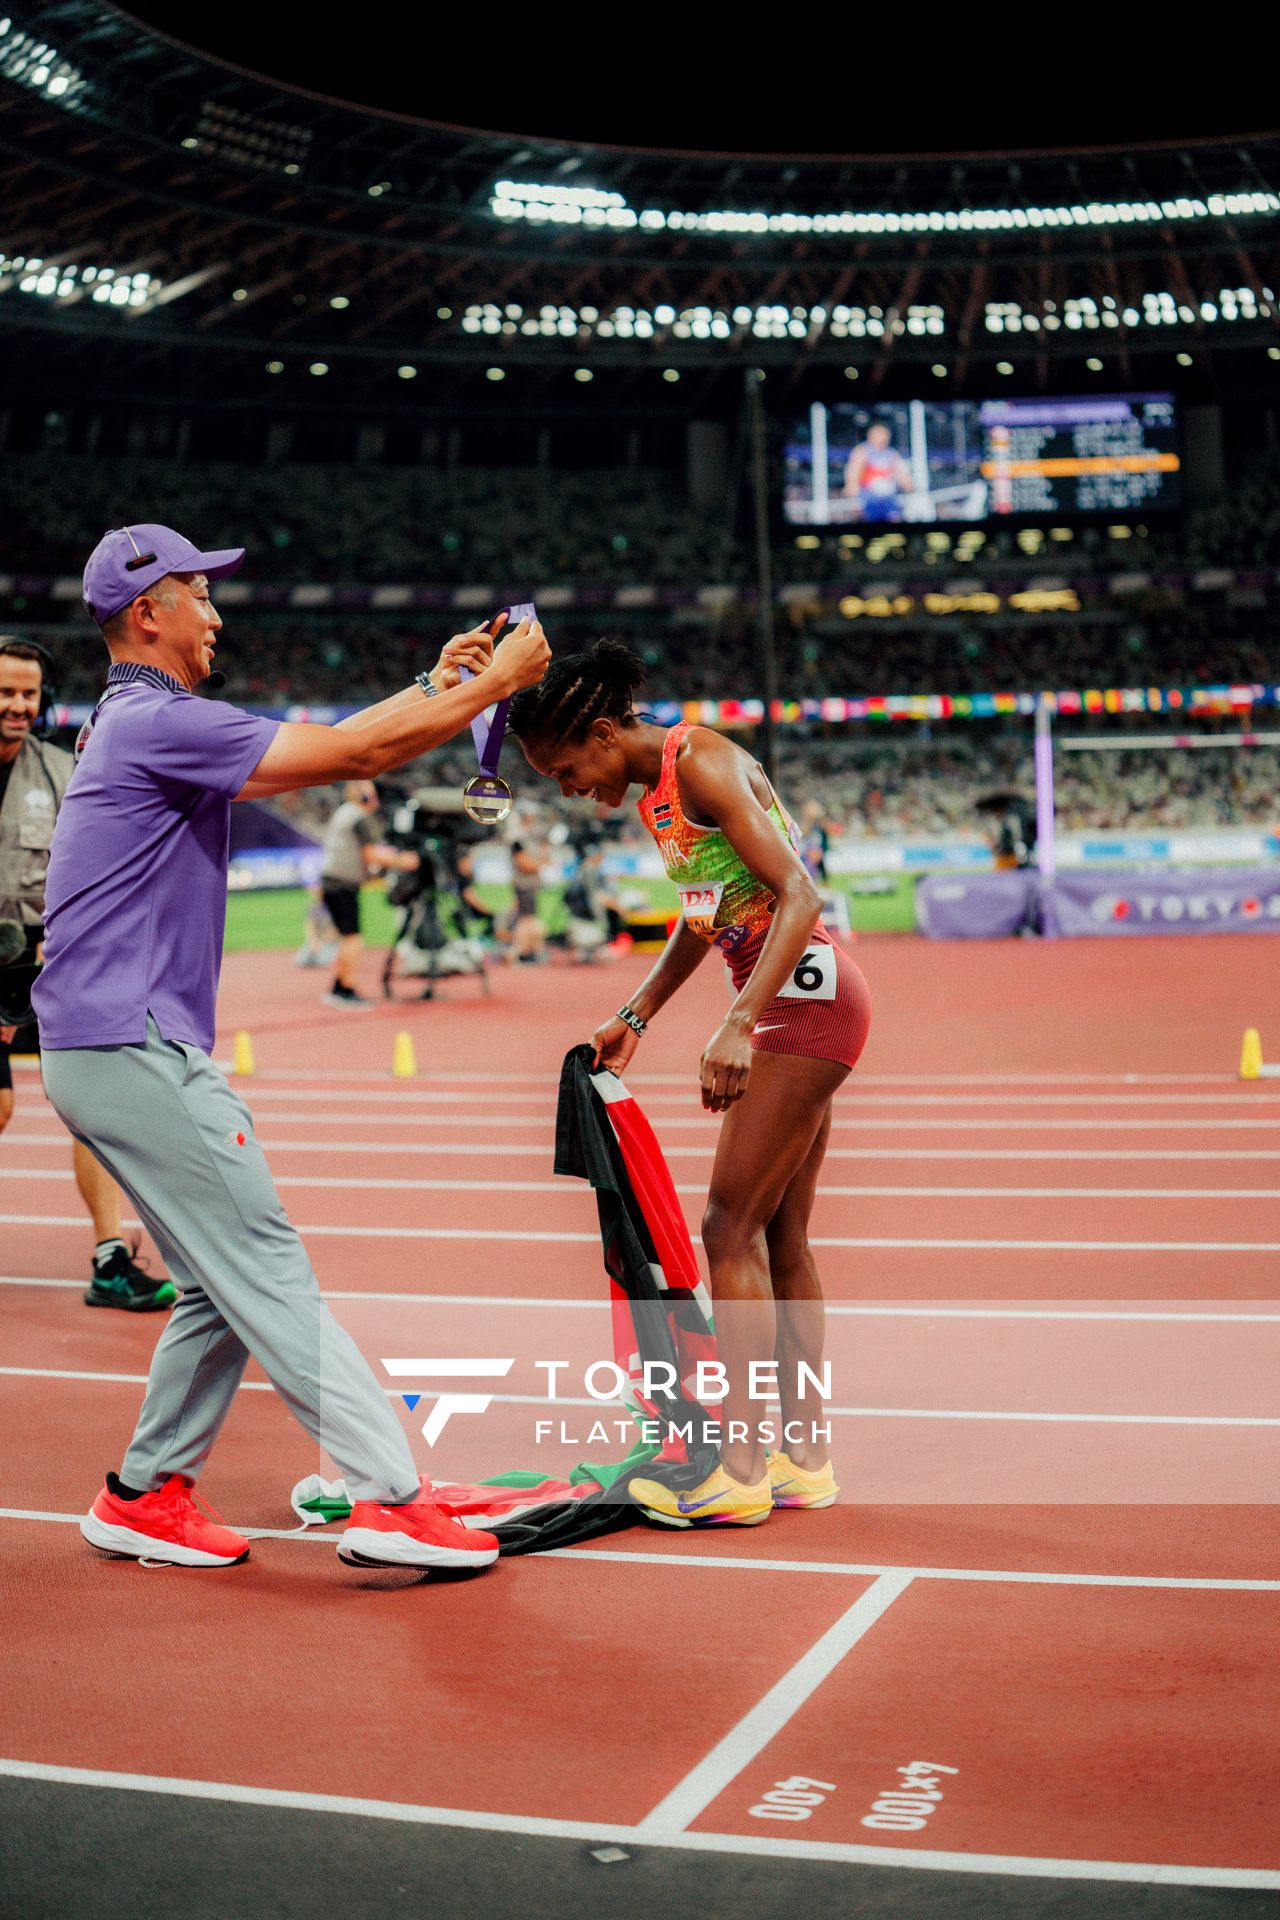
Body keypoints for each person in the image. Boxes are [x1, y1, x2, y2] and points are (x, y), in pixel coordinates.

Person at [33, 523, 550, 1573]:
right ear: (147, 614)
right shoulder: (150, 721)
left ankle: (145, 1494)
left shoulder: (139, 721)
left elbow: (354, 732)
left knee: (216, 1282)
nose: (217, 613)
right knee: (263, 1263)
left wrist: (435, 682)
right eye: (198, 595)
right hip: (129, 1039)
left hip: (113, 1039)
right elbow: (353, 753)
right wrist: (494, 680)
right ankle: (386, 1495)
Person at [511, 641, 871, 1527]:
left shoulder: (700, 759)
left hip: (801, 1001)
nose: (569, 788)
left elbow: (799, 894)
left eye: (566, 768)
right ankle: (805, 1458)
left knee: (728, 1228)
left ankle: (740, 1473)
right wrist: (634, 1017)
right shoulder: (664, 793)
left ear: (601, 732)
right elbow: (707, 918)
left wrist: (739, 1024)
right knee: (780, 1236)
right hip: (797, 998)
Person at [0, 637, 174, 1310]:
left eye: (27, 693)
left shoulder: (58, 771)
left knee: (94, 1105)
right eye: (6, 692)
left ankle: (109, 1258)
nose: (18, 705)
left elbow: (98, 867)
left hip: (52, 958)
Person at [319, 780, 418, 1009]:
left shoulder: (345, 812)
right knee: (353, 938)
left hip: (335, 882)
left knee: (348, 937)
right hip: (341, 884)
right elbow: (372, 854)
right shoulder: (358, 816)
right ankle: (343, 989)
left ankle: (340, 986)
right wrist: (404, 860)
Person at [844, 420, 912, 523]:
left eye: (885, 435)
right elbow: (853, 474)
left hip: (889, 499)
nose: (882, 438)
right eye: (879, 434)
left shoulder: (892, 454)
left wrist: (909, 487)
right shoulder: (861, 451)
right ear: (871, 435)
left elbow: (903, 476)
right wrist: (852, 492)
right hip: (868, 499)